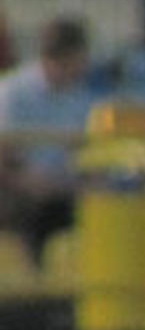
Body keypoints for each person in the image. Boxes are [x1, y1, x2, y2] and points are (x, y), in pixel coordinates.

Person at [0, 15, 99, 264]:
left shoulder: (81, 100)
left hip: (63, 191)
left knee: (103, 209)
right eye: (78, 59)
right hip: (16, 190)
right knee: (36, 212)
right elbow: (5, 161)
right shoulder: (13, 93)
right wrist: (33, 183)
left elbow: (86, 157)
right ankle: (32, 281)